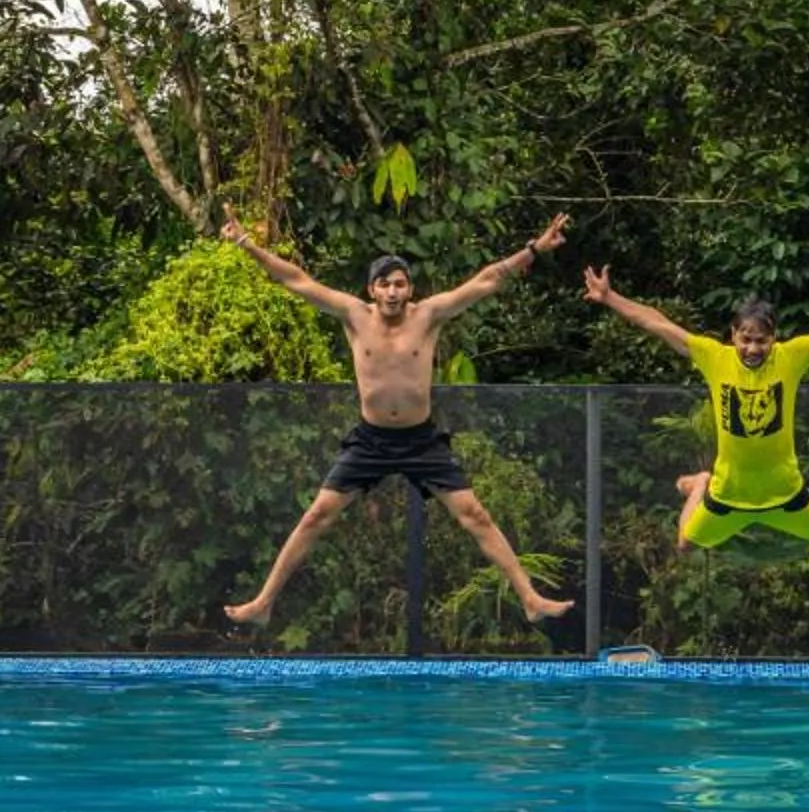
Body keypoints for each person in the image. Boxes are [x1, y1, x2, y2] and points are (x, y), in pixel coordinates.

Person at [219, 211, 577, 629]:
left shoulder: (427, 316)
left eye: (400, 283)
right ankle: (263, 603)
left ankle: (530, 598)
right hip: (370, 441)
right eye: (384, 284)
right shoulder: (354, 315)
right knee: (317, 516)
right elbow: (295, 279)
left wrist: (534, 248)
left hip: (421, 440)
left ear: (410, 289)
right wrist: (246, 243)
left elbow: (487, 280)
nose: (392, 291)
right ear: (372, 289)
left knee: (474, 515)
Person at [583, 258, 809, 554]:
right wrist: (610, 297)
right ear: (733, 334)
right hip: (729, 492)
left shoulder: (791, 357)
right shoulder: (713, 357)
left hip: (785, 491)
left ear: (775, 338)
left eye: (762, 341)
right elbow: (657, 323)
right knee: (684, 543)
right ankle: (700, 484)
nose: (753, 349)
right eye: (746, 339)